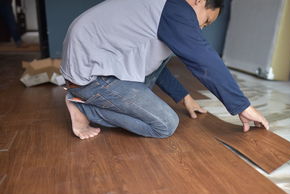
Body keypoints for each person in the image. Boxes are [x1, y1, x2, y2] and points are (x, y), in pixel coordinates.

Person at [61, 0, 269, 140]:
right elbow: (204, 60)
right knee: (165, 125)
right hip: (90, 77)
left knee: (164, 55)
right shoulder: (176, 10)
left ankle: (84, 98)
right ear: (198, 0)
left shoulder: (162, 8)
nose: (202, 28)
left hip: (92, 65)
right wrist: (243, 106)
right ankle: (83, 107)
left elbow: (153, 63)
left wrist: (185, 98)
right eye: (206, 20)